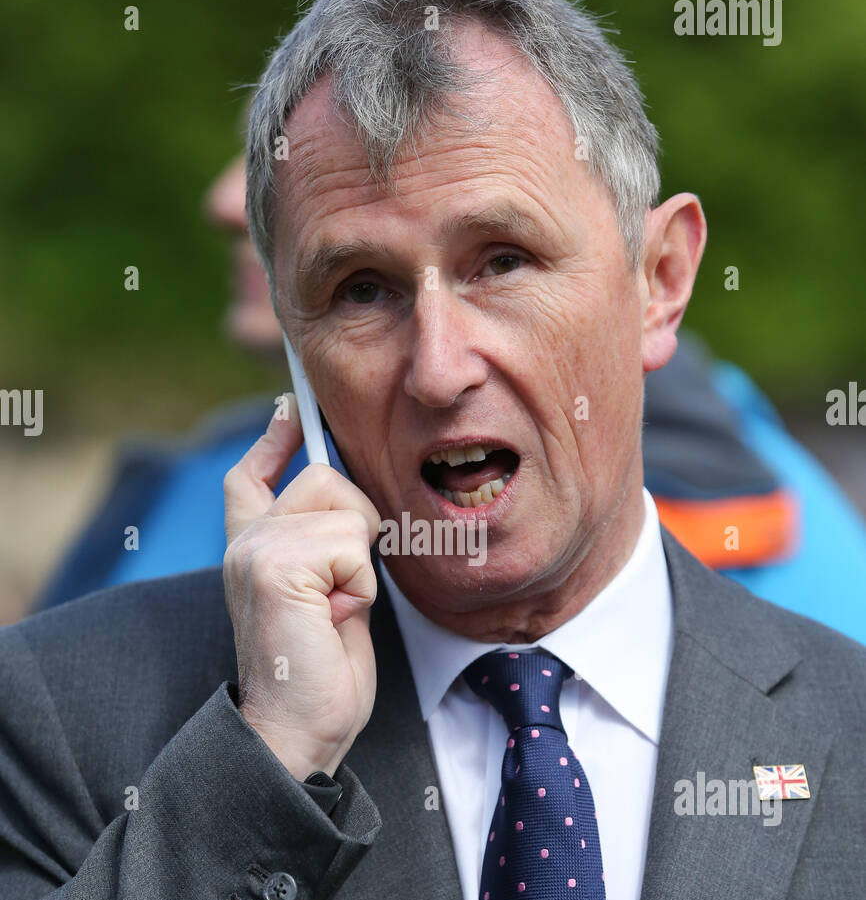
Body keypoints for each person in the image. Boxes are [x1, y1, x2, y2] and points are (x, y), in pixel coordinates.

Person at [1, 0, 863, 900]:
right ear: (290, 348)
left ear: (658, 277)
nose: (439, 363)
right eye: (359, 289)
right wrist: (267, 752)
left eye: (501, 260)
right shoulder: (71, 715)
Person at [36, 150, 866, 644]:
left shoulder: (740, 496)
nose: (224, 202)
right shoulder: (182, 480)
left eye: (502, 262)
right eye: (365, 288)